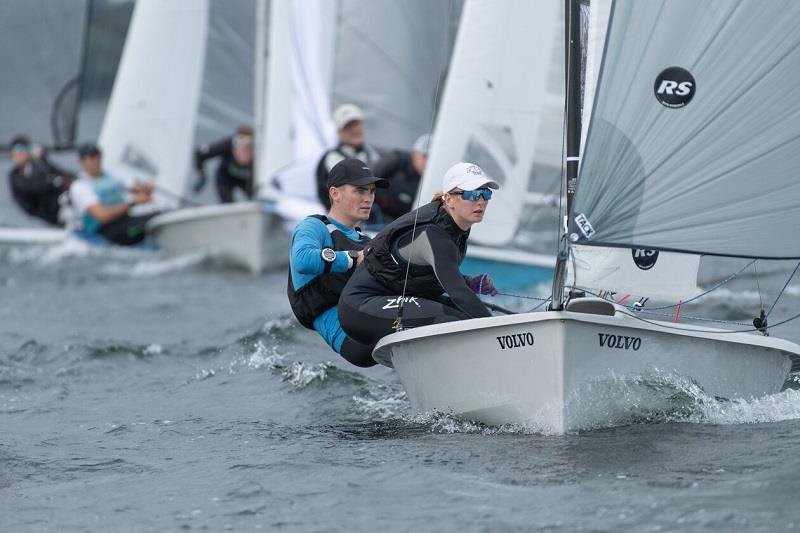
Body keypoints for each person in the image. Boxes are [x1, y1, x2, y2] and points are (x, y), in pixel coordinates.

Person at [339, 162, 500, 353]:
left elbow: (423, 271)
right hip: (361, 308)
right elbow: (458, 293)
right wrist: (501, 334)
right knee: (452, 323)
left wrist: (469, 281)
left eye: (485, 194)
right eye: (472, 194)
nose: (480, 201)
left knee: (466, 316)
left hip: (393, 298)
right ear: (448, 199)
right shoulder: (433, 233)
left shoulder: (457, 226)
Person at [288, 158, 389, 367]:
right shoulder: (314, 227)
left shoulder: (366, 241)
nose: (368, 198)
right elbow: (302, 259)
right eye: (360, 191)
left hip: (377, 324)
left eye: (371, 192)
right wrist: (352, 259)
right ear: (335, 193)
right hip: (354, 341)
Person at [69, 143, 156, 245]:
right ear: (82, 161)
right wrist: (132, 202)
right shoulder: (80, 186)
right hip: (107, 232)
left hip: (126, 221)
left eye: (98, 156)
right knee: (146, 226)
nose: (97, 161)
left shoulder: (113, 174)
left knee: (159, 216)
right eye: (92, 158)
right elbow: (102, 216)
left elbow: (137, 188)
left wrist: (147, 188)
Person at [315, 104, 380, 210]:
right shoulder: (332, 157)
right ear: (338, 132)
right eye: (348, 126)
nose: (354, 130)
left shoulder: (373, 153)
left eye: (356, 124)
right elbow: (355, 183)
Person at [7, 134, 74, 226]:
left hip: (60, 207)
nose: (20, 155)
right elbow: (37, 188)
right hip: (44, 215)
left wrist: (42, 159)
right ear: (12, 155)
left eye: (23, 151)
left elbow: (60, 174)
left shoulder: (39, 165)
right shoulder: (14, 176)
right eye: (17, 152)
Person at [373, 133, 430, 221]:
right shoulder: (395, 161)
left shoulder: (428, 182)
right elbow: (370, 180)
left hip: (395, 225)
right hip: (372, 215)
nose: (427, 162)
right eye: (425, 156)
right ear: (414, 153)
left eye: (431, 158)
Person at [193, 125, 255, 203]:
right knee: (228, 204)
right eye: (240, 148)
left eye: (248, 150)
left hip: (247, 181)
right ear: (234, 148)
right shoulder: (226, 145)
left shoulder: (260, 158)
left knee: (254, 201)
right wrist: (202, 176)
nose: (243, 152)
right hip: (225, 178)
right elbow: (200, 154)